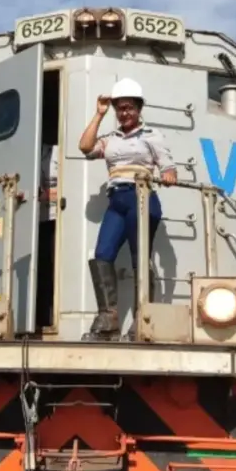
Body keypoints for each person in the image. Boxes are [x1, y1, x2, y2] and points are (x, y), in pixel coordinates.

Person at [78, 77, 177, 341]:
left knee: (139, 258)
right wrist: (99, 114)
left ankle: (141, 323)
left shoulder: (152, 136)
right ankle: (108, 321)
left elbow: (168, 167)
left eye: (129, 107)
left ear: (139, 108)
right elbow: (85, 147)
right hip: (117, 200)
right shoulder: (110, 139)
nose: (124, 113)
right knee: (102, 255)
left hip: (141, 198)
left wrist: (168, 175)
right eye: (120, 108)